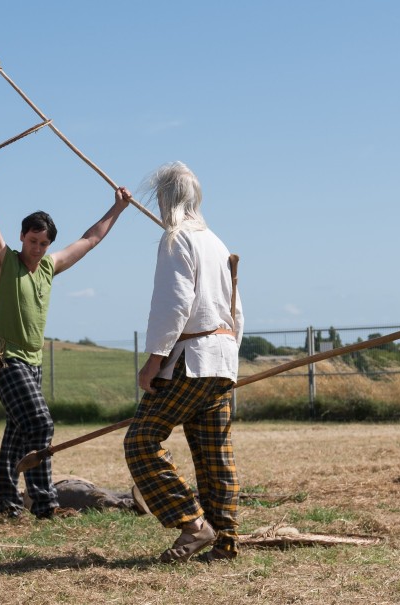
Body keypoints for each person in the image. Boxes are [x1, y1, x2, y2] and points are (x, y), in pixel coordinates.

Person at [0, 150, 131, 520]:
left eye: (43, 244)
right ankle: (44, 503)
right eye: (32, 241)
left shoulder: (48, 267)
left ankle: (7, 502)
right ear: (22, 236)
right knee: (40, 423)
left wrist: (117, 208)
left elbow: (90, 240)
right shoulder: (2, 261)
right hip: (5, 357)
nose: (37, 249)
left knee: (18, 427)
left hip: (33, 361)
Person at [123, 161, 244, 564]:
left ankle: (195, 525)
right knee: (215, 455)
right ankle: (226, 541)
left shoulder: (176, 240)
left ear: (166, 200)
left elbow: (173, 305)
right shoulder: (218, 243)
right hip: (222, 360)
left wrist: (153, 361)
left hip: (190, 361)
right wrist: (229, 360)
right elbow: (235, 310)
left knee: (141, 442)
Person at [0, 452, 148, 515]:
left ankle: (151, 501)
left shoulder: (32, 486)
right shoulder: (19, 495)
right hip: (64, 489)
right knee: (100, 499)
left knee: (113, 495)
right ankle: (134, 506)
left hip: (77, 485)